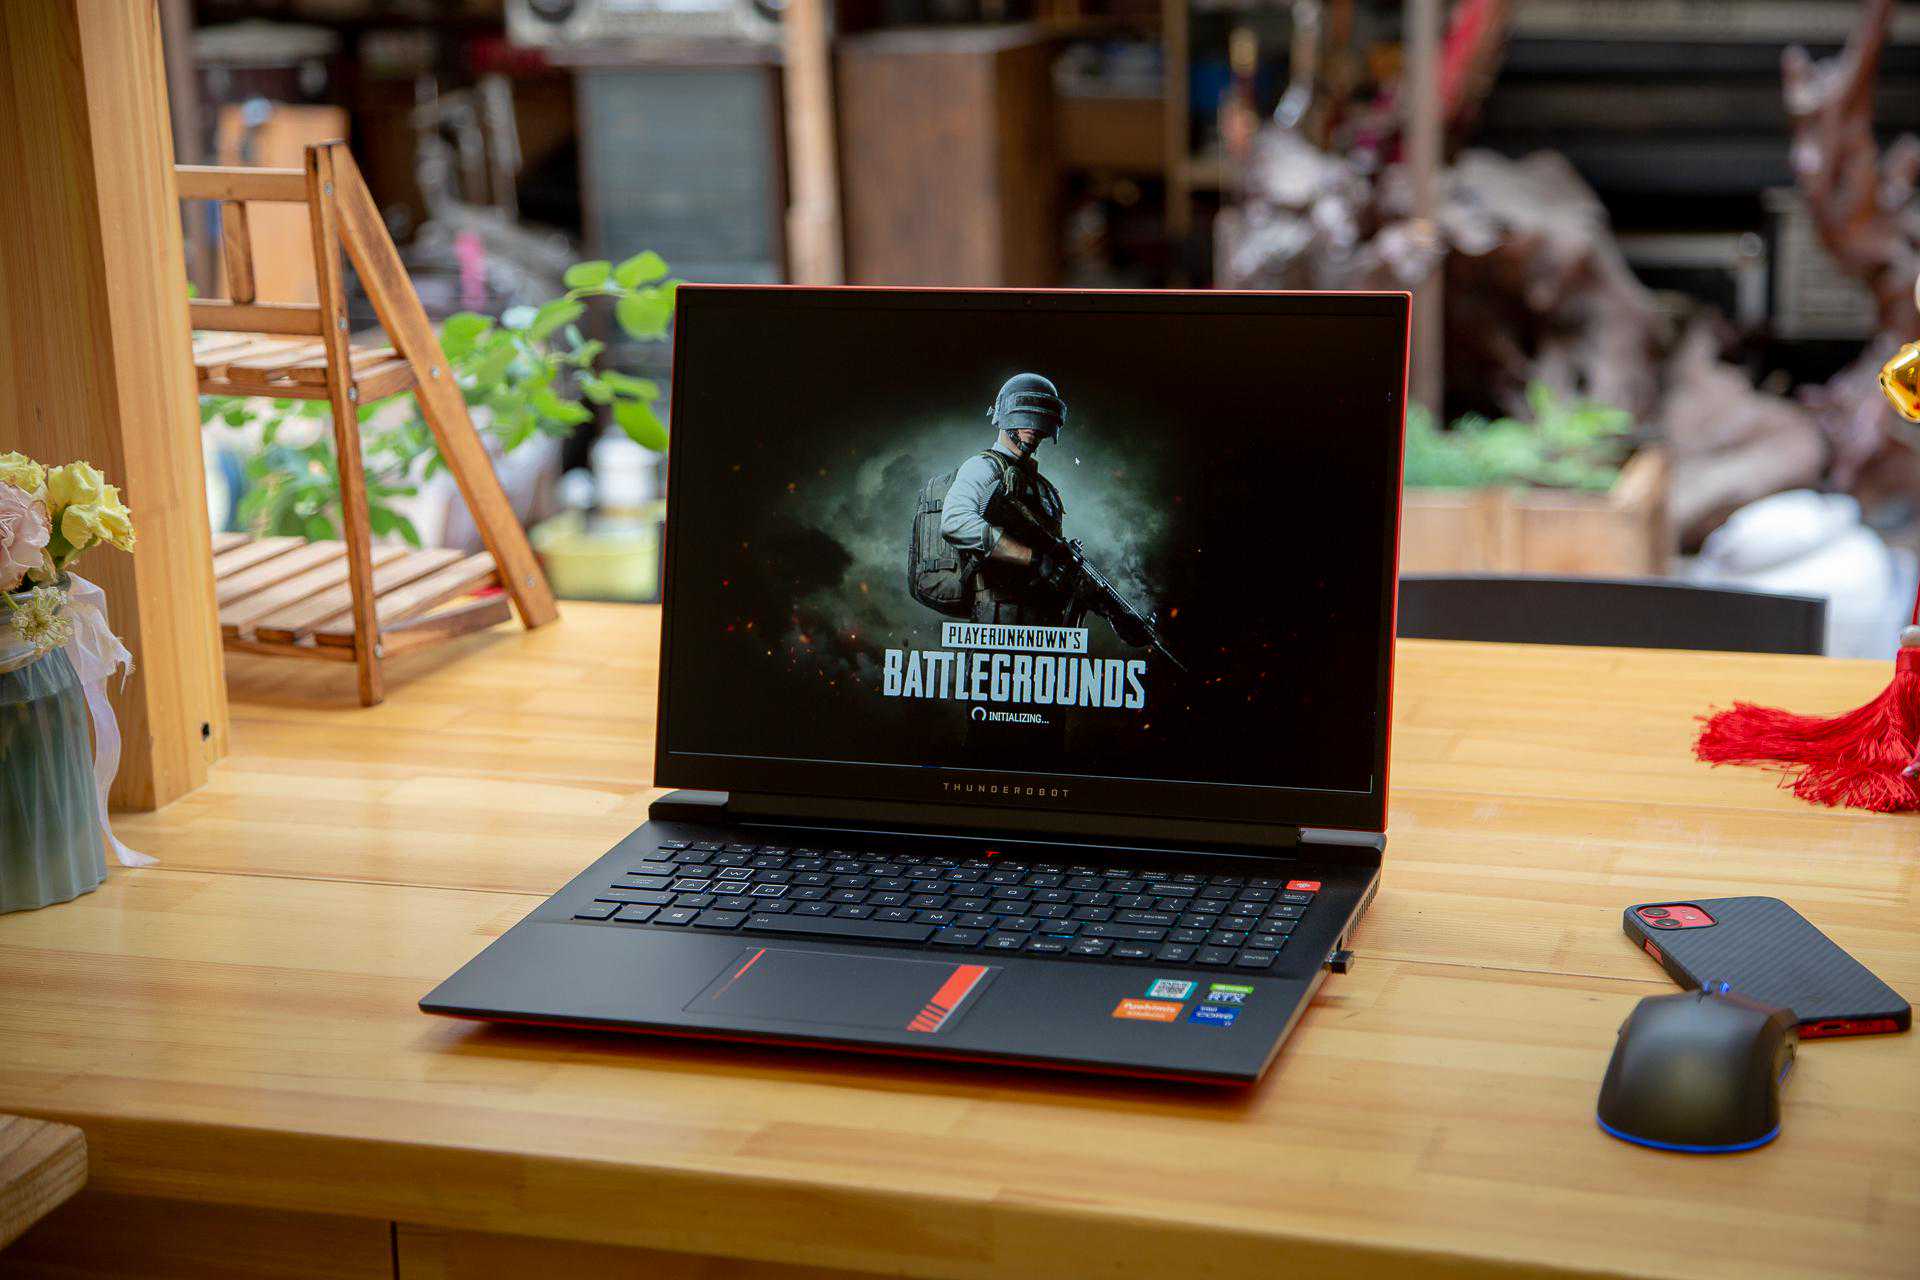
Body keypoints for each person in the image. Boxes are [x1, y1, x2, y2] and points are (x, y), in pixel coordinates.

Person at [938, 373, 1084, 627]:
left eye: (1040, 418)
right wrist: (1032, 558)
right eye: (1024, 415)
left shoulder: (1041, 485)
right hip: (998, 619)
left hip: (1041, 622)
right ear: (1005, 415)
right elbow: (955, 522)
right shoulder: (984, 466)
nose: (1033, 426)